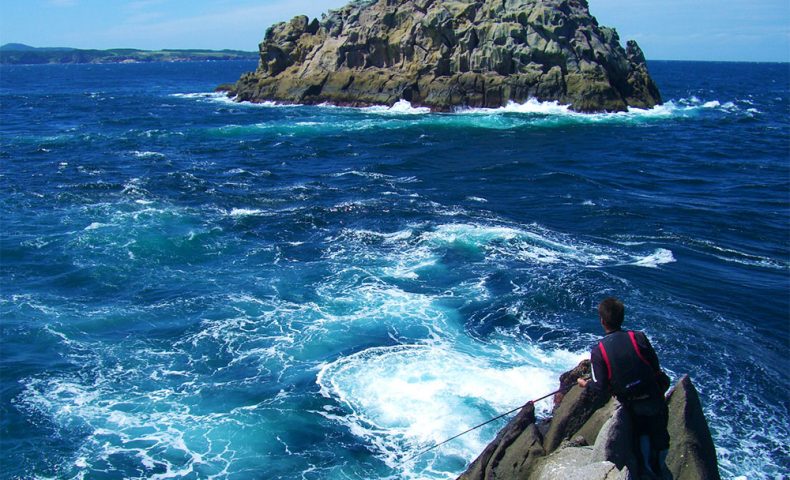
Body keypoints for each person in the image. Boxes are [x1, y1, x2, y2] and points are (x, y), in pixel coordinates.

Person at [577, 297, 671, 479]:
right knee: (660, 435)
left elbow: (599, 387)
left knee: (641, 431)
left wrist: (584, 384)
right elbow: (655, 367)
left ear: (602, 321)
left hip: (631, 403)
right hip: (653, 395)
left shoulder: (599, 350)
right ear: (622, 318)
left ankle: (647, 468)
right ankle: (659, 467)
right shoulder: (638, 337)